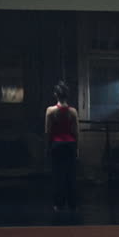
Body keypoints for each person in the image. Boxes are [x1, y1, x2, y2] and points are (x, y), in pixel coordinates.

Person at [45, 80, 79, 211]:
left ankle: (58, 204)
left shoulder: (50, 111)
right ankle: (72, 204)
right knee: (70, 175)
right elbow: (76, 133)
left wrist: (47, 148)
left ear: (55, 94)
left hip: (57, 145)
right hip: (70, 145)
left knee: (58, 175)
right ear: (67, 95)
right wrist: (77, 148)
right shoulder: (73, 112)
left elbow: (48, 132)